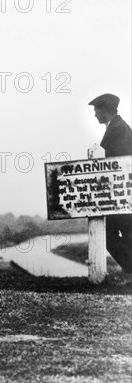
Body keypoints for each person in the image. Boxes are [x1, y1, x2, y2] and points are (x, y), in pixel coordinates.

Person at [88, 93, 132, 275]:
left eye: (96, 110)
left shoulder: (120, 130)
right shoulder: (115, 128)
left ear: (105, 110)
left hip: (123, 194)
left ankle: (130, 269)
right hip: (117, 195)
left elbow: (119, 163)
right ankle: (129, 269)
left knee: (123, 234)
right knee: (115, 235)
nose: (94, 114)